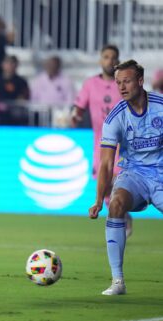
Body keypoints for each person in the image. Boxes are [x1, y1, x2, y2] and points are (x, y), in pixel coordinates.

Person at [89, 60, 163, 295]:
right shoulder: (115, 118)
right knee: (117, 204)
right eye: (118, 82)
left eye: (127, 81)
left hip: (161, 174)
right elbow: (107, 163)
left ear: (140, 81)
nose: (121, 87)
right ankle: (117, 281)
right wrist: (99, 199)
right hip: (134, 175)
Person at [71, 45, 133, 237]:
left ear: (118, 60)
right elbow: (79, 107)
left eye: (113, 57)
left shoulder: (123, 84)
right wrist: (75, 117)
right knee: (105, 186)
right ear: (100, 60)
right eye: (106, 57)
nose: (109, 61)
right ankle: (122, 214)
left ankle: (120, 216)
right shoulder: (90, 84)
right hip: (101, 144)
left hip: (123, 144)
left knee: (118, 181)